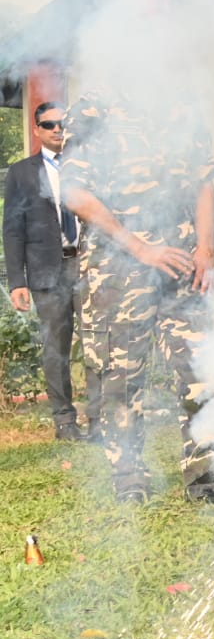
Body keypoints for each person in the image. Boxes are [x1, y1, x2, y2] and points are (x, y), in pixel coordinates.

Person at [61, 89, 214, 504]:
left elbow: (202, 185)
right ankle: (129, 474)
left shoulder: (182, 103)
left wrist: (206, 248)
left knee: (200, 367)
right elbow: (74, 192)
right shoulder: (92, 108)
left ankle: (206, 471)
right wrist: (139, 248)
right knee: (120, 375)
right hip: (117, 267)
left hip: (183, 264)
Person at [4, 102, 85, 440]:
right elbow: (12, 229)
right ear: (37, 130)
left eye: (61, 124)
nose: (57, 129)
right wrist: (17, 281)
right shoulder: (21, 173)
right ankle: (65, 422)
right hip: (47, 272)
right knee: (56, 348)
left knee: (99, 343)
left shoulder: (86, 168)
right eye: (49, 124)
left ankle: (100, 419)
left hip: (87, 264)